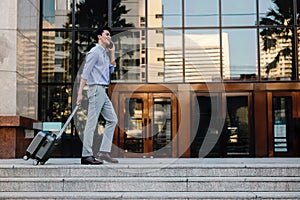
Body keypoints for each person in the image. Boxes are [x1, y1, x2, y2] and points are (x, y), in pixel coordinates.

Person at [76, 27, 118, 165]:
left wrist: (112, 52)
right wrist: (80, 93)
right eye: (107, 35)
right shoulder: (94, 52)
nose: (109, 37)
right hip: (95, 89)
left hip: (102, 90)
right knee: (92, 123)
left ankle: (104, 152)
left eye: (110, 35)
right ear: (99, 37)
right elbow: (85, 73)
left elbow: (112, 68)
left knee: (112, 119)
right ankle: (86, 155)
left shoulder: (105, 54)